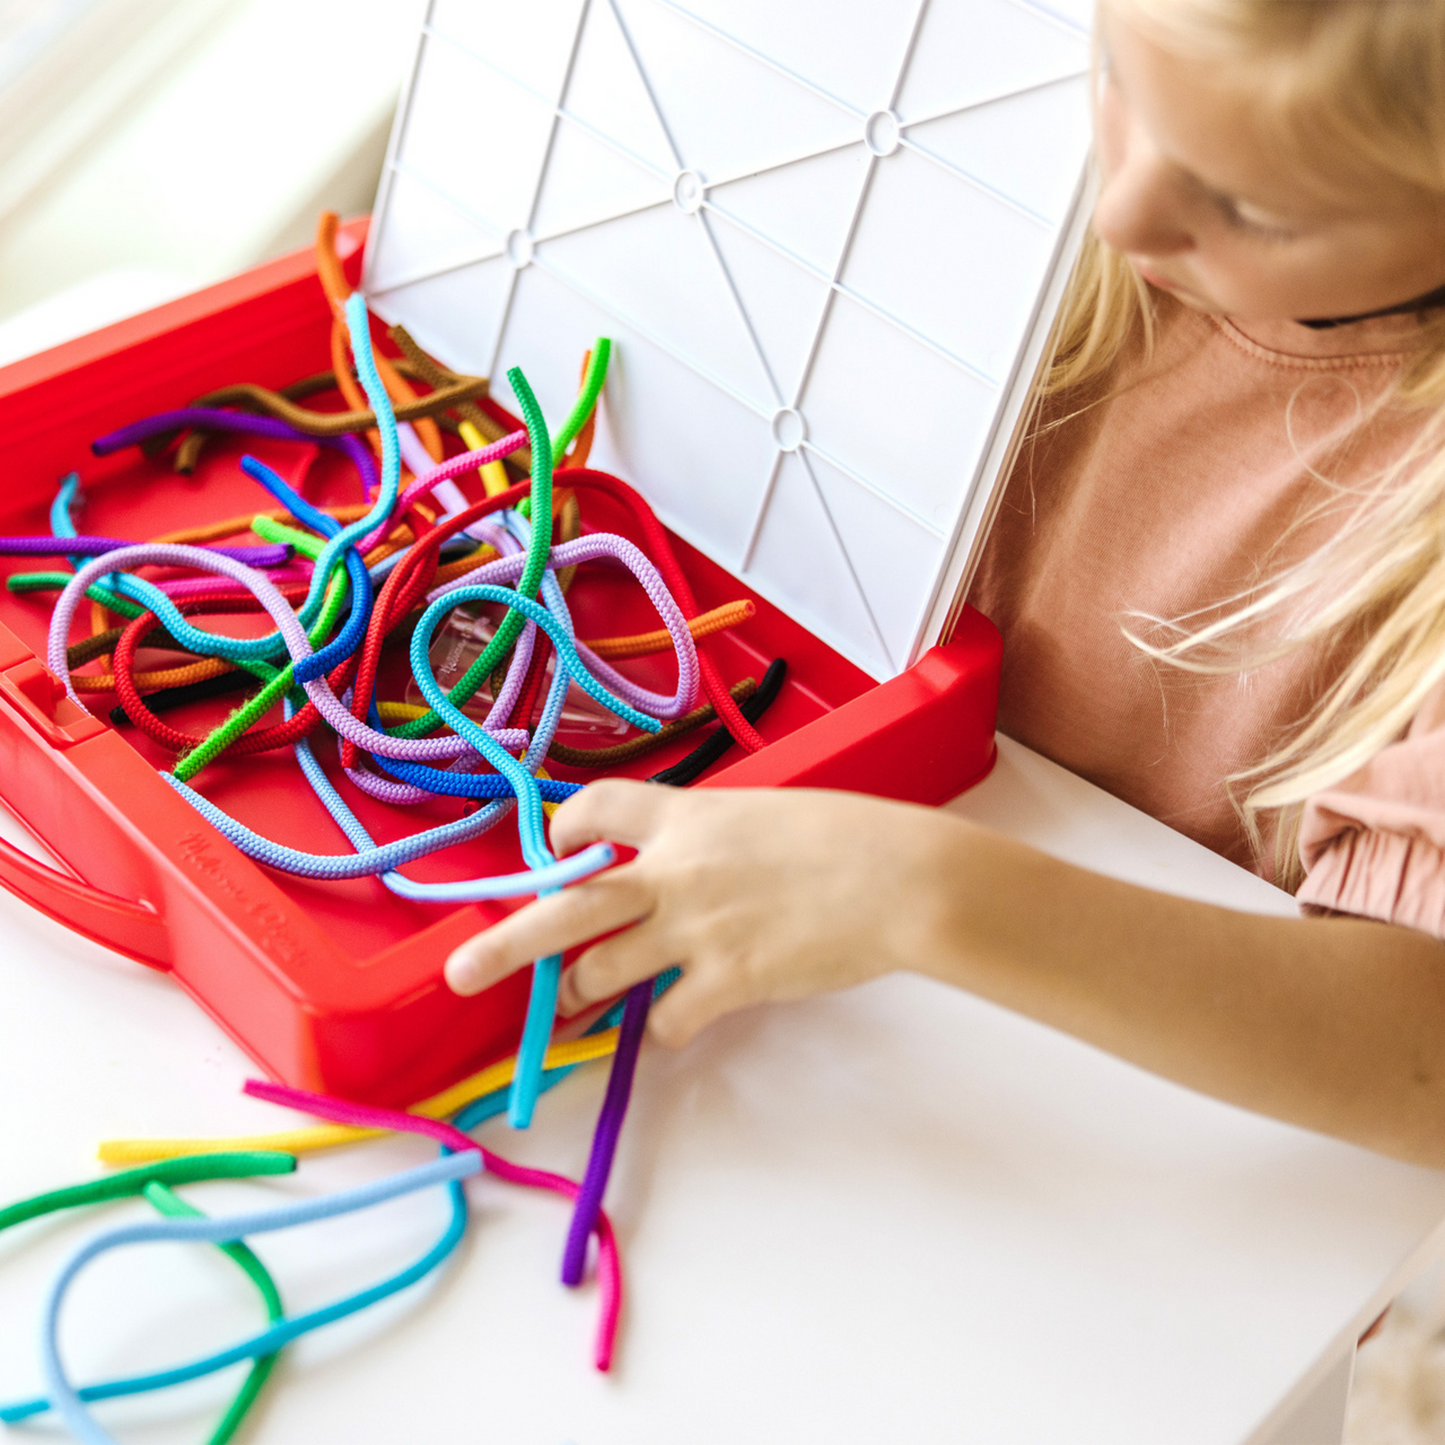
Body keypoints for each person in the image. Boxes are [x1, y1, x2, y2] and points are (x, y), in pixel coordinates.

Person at [445, 0, 1445, 1168]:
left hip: (1094, 1095)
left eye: (1256, 207)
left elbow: (1414, 1054)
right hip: (759, 915)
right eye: (1118, 72)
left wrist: (920, 894)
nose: (1121, 207)